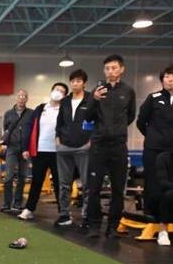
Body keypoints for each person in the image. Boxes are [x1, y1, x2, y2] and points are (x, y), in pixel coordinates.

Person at [86, 54, 137, 238]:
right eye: (107, 68)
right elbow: (87, 117)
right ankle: (94, 225)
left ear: (121, 69)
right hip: (98, 146)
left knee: (117, 189)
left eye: (114, 68)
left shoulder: (128, 91)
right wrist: (95, 100)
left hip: (118, 146)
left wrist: (117, 130)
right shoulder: (97, 91)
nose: (110, 71)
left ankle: (113, 227)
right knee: (94, 188)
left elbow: (130, 116)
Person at [137, 65, 173, 217]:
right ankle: (150, 212)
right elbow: (141, 121)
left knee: (172, 180)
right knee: (152, 180)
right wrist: (151, 136)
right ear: (162, 80)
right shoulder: (153, 97)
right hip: (153, 148)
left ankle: (169, 213)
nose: (170, 79)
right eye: (167, 76)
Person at [17, 82, 68, 221]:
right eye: (56, 89)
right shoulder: (40, 108)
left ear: (64, 96)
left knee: (59, 183)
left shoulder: (65, 110)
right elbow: (29, 128)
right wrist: (25, 148)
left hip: (58, 152)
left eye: (62, 91)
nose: (58, 92)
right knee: (36, 181)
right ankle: (29, 209)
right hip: (40, 151)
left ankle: (63, 212)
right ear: (51, 91)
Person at [55, 69, 94, 227]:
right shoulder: (64, 101)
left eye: (78, 81)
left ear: (84, 83)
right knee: (64, 184)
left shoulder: (91, 99)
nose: (75, 84)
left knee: (87, 184)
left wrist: (91, 142)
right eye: (72, 81)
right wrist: (58, 140)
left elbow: (97, 121)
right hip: (64, 146)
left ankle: (86, 216)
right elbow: (59, 122)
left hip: (84, 147)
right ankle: (64, 215)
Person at [0, 90, 32, 212]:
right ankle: (6, 203)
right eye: (20, 96)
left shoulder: (31, 113)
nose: (22, 98)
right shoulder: (8, 113)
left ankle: (17, 203)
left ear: (27, 99)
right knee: (8, 176)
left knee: (22, 176)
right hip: (12, 147)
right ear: (16, 98)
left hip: (25, 149)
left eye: (24, 96)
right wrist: (5, 143)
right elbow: (5, 129)